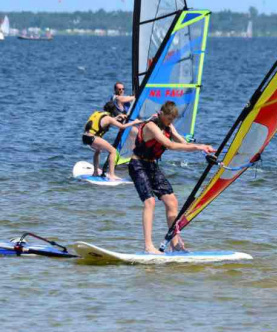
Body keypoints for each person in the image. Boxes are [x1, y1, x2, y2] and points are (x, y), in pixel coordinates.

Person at [128, 101, 216, 254]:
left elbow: (182, 142)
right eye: (168, 119)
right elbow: (169, 145)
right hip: (138, 165)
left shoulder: (168, 126)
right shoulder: (151, 126)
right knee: (150, 202)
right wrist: (199, 146)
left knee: (172, 201)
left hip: (151, 166)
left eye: (172, 120)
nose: (170, 122)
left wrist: (203, 149)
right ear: (161, 113)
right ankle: (148, 246)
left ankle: (174, 243)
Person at [82, 101, 142, 181]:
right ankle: (111, 175)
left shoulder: (98, 113)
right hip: (93, 138)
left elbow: (104, 120)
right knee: (113, 151)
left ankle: (95, 172)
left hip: (85, 137)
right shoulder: (109, 118)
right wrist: (134, 122)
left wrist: (116, 118)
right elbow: (122, 126)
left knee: (98, 150)